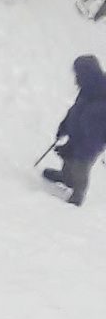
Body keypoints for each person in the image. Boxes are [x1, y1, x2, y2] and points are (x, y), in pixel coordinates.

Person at [43, 55, 106, 208]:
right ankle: (66, 178)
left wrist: (78, 147)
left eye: (78, 74)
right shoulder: (86, 89)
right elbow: (76, 109)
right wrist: (65, 125)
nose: (76, 78)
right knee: (68, 157)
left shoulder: (102, 96)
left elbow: (95, 133)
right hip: (77, 133)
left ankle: (78, 194)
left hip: (91, 142)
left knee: (80, 165)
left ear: (88, 74)